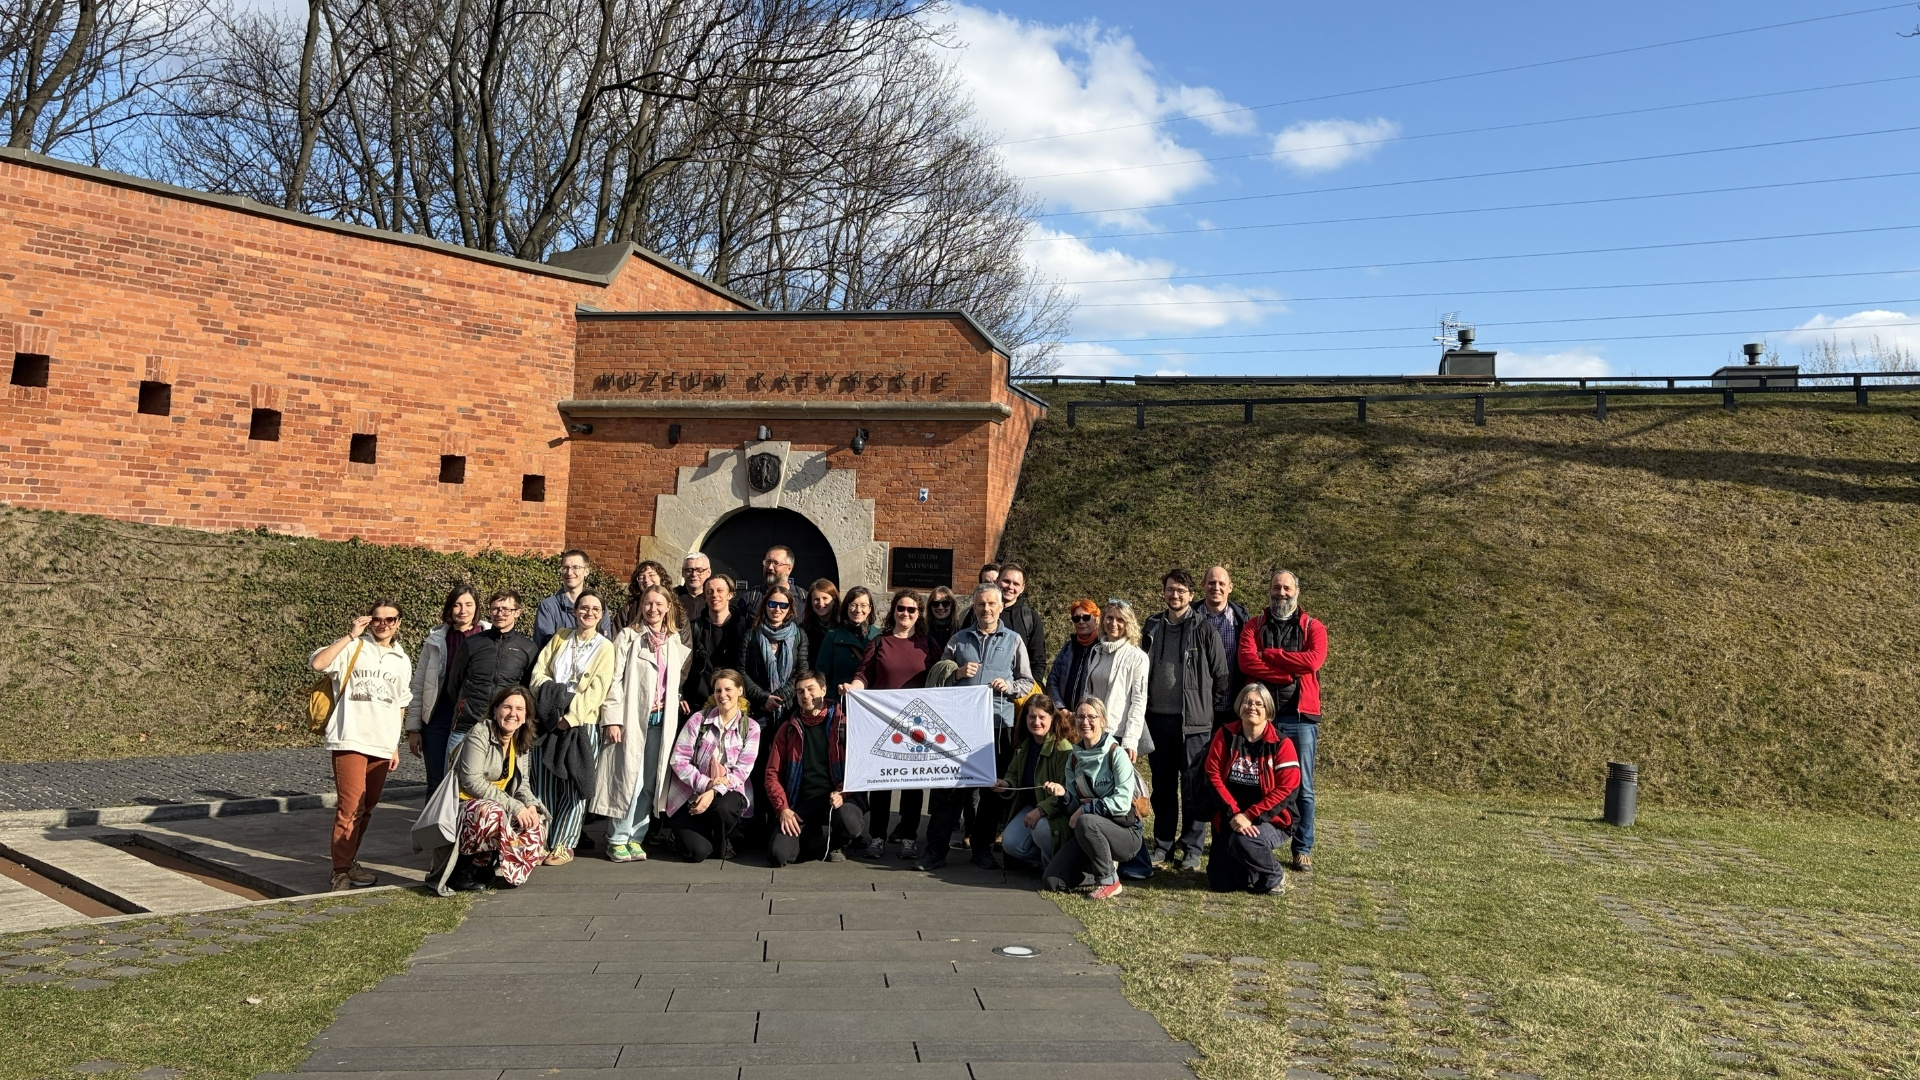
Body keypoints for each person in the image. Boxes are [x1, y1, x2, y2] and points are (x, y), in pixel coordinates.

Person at [922, 583, 1035, 871]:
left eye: (991, 604)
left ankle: (982, 848)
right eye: (981, 604)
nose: (986, 609)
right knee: (948, 789)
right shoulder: (958, 640)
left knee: (991, 791)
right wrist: (958, 673)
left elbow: (1026, 681)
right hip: (959, 726)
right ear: (974, 607)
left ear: (1001, 607)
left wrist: (1009, 686)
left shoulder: (1014, 641)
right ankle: (935, 850)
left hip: (997, 726)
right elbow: (939, 676)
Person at [310, 599, 413, 891]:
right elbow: (318, 664)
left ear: (398, 623)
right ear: (369, 620)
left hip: (382, 743)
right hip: (350, 737)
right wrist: (350, 635)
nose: (383, 625)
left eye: (390, 619)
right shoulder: (354, 647)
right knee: (350, 807)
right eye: (377, 619)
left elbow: (400, 703)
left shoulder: (402, 659)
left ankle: (348, 861)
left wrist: (394, 745)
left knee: (366, 808)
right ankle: (340, 871)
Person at [1237, 570, 1328, 873]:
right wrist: (1288, 673)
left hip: (1300, 718)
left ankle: (1302, 848)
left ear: (1297, 591)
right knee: (1256, 782)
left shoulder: (1313, 627)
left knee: (1303, 787)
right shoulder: (1254, 625)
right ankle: (1257, 837)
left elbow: (1312, 660)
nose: (1281, 593)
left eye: (1287, 588)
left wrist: (1272, 655)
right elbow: (1247, 661)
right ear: (1269, 590)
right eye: (1276, 588)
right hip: (1262, 719)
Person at [592, 583, 690, 863]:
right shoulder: (627, 636)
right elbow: (613, 680)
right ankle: (617, 838)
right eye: (648, 603)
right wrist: (612, 719)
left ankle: (636, 837)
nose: (653, 609)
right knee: (628, 780)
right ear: (640, 606)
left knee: (650, 781)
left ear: (668, 608)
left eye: (659, 604)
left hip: (661, 720)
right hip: (631, 719)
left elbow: (669, 683)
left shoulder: (673, 641)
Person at [1141, 569, 1229, 873]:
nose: (1175, 595)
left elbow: (1221, 675)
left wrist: (1205, 710)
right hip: (1157, 720)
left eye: (1181, 590)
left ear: (1191, 594)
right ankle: (1163, 844)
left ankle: (1192, 849)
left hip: (1193, 725)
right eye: (1170, 589)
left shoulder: (1203, 628)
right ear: (1163, 592)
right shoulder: (1151, 625)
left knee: (1193, 787)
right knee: (1163, 786)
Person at [845, 588, 938, 858]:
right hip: (882, 724)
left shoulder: (928, 645)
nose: (905, 613)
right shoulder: (879, 642)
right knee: (881, 783)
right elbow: (864, 674)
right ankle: (877, 836)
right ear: (893, 611)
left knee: (912, 785)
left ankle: (909, 837)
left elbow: (940, 678)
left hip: (917, 726)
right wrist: (853, 687)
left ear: (919, 614)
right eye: (901, 608)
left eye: (911, 609)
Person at [528, 590, 615, 865]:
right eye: (584, 608)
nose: (589, 613)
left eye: (595, 609)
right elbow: (539, 673)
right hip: (548, 719)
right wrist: (550, 703)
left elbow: (598, 689)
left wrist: (571, 715)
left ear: (602, 615)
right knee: (543, 785)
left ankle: (564, 844)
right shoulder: (560, 637)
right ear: (575, 611)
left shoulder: (605, 647)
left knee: (575, 785)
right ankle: (541, 841)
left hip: (581, 723)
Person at [446, 685, 548, 891]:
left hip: (499, 803)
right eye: (507, 707)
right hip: (464, 805)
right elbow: (472, 781)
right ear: (495, 710)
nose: (512, 714)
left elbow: (522, 784)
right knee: (491, 812)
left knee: (536, 818)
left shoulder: (520, 739)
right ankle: (463, 870)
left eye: (519, 709)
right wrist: (514, 806)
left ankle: (496, 868)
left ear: (526, 716)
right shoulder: (480, 733)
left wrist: (530, 805)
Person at [1203, 684, 1302, 895]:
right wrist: (1234, 813)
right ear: (1239, 706)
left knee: (1244, 840)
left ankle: (1275, 875)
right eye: (1247, 702)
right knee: (1220, 882)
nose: (1252, 707)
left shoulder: (1281, 743)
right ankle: (1250, 869)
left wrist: (1249, 816)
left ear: (1268, 710)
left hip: (1269, 819)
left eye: (1259, 703)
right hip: (1232, 816)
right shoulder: (1225, 734)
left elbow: (1287, 788)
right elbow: (1213, 775)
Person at [1040, 697, 1142, 901]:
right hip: (1088, 831)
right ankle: (1097, 871)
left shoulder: (1117, 754)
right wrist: (1063, 795)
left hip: (1125, 833)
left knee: (1086, 820)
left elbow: (1122, 803)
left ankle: (1109, 881)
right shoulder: (1074, 758)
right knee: (1052, 882)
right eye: (1080, 717)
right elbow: (1074, 807)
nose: (1085, 722)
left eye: (1091, 717)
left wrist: (1086, 809)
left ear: (1103, 721)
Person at [763, 671, 864, 866]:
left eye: (811, 689)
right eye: (800, 691)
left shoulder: (843, 723)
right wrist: (783, 809)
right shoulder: (788, 728)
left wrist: (843, 792)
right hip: (802, 801)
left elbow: (859, 766)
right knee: (778, 855)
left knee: (849, 823)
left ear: (824, 690)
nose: (805, 695)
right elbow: (771, 775)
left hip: (836, 796)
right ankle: (815, 837)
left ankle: (838, 843)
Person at [663, 670, 760, 862]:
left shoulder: (751, 727)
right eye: (718, 690)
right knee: (697, 853)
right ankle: (687, 836)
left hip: (727, 790)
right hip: (689, 794)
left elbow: (742, 771)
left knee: (724, 808)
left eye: (728, 689)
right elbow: (679, 760)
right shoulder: (698, 720)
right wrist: (705, 784)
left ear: (740, 690)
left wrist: (713, 791)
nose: (723, 695)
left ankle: (720, 839)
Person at [739, 584, 807, 845]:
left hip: (787, 713)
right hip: (759, 713)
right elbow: (742, 671)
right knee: (758, 769)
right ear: (764, 605)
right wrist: (763, 697)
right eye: (772, 604)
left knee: (783, 768)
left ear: (790, 609)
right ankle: (755, 825)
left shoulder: (799, 636)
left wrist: (780, 696)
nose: (777, 609)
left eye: (783, 605)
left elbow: (801, 671)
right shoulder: (752, 635)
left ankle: (780, 821)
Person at [405, 585, 486, 793]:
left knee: (470, 781)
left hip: (474, 716)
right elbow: (419, 685)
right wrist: (414, 728)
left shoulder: (488, 636)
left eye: (469, 604)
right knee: (437, 782)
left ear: (476, 608)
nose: (463, 610)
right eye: (457, 605)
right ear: (449, 608)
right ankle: (433, 816)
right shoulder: (436, 640)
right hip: (438, 717)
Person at [445, 591, 540, 761]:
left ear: (517, 612)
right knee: (455, 776)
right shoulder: (471, 643)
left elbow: (526, 691)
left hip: (505, 729)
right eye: (495, 609)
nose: (499, 613)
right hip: (466, 725)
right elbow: (454, 684)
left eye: (506, 609)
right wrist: (465, 706)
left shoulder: (528, 648)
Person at [992, 694, 1073, 869]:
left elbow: (1067, 792)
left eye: (1042, 717)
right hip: (1030, 806)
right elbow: (1013, 775)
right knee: (1010, 843)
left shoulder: (1063, 748)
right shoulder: (1024, 745)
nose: (1036, 722)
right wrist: (1006, 784)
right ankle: (1052, 862)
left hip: (1057, 811)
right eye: (1032, 716)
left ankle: (1056, 868)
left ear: (1052, 718)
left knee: (1042, 829)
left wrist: (1041, 810)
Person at [1086, 600, 1150, 760]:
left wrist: (1131, 740)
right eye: (1110, 618)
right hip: (1092, 729)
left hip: (1116, 732)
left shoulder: (1137, 657)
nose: (1113, 623)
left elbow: (1139, 701)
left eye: (1120, 619)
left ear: (1128, 624)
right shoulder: (1096, 651)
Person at [964, 563, 1047, 679]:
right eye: (1006, 581)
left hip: (1016, 688)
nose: (1010, 587)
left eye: (1016, 584)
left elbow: (1037, 661)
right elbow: (962, 646)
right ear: (997, 581)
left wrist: (1030, 687)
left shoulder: (1029, 618)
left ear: (1022, 588)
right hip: (979, 685)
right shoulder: (978, 612)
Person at [686, 574, 750, 706]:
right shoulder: (694, 627)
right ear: (704, 597)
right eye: (709, 592)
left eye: (720, 590)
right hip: (699, 703)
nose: (715, 595)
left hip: (734, 702)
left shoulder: (744, 627)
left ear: (730, 595)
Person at [1199, 566, 1250, 730]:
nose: (1216, 588)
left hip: (1232, 706)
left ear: (1230, 587)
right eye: (1211, 583)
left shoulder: (1242, 621)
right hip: (1197, 707)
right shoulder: (1190, 618)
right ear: (1203, 585)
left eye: (1221, 583)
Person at [818, 585, 879, 701]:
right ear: (846, 607)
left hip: (870, 703)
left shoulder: (879, 637)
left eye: (863, 605)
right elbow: (822, 674)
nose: (858, 610)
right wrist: (834, 698)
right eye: (853, 605)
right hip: (840, 701)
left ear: (870, 608)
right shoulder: (832, 636)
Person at [1046, 598, 1104, 712]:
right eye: (1076, 618)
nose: (1081, 622)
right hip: (1065, 716)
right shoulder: (1068, 648)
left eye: (1086, 617)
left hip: (1090, 716)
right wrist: (1061, 708)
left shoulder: (1104, 648)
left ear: (1097, 619)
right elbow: (1052, 680)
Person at [533, 549, 594, 648]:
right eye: (565, 568)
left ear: (586, 571)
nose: (569, 573)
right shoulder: (548, 607)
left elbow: (604, 643)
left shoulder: (596, 606)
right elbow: (546, 646)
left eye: (576, 567)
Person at [737, 545, 796, 621]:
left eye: (776, 563)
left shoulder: (803, 599)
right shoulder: (749, 599)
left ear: (789, 569)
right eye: (767, 562)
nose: (770, 567)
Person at [617, 559, 673, 634]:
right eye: (641, 577)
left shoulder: (676, 609)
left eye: (651, 575)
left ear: (661, 577)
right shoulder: (627, 611)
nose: (646, 580)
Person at [800, 579, 840, 661]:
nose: (821, 603)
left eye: (825, 598)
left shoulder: (844, 627)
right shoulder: (804, 629)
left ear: (834, 600)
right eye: (816, 599)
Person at [925, 586, 962, 654]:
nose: (940, 607)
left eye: (945, 603)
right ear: (930, 606)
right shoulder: (922, 630)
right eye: (935, 604)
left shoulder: (960, 632)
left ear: (952, 606)